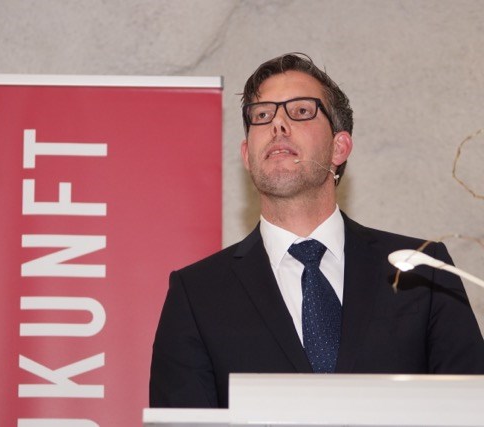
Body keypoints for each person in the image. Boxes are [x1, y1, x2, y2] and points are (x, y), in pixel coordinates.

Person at [149, 53, 484, 409]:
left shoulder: (423, 270)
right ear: (247, 155)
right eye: (262, 116)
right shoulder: (196, 294)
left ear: (339, 147)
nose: (278, 124)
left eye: (301, 111)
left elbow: (470, 409)